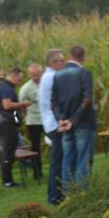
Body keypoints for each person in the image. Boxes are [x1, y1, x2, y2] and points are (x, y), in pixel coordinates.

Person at [52, 45, 96, 189]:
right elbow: (87, 99)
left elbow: (54, 102)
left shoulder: (58, 75)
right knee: (83, 160)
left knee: (67, 161)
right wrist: (73, 119)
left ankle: (68, 194)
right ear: (83, 57)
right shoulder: (84, 73)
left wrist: (61, 119)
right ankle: (82, 195)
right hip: (83, 123)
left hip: (65, 124)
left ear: (69, 56)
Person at [38, 48, 66, 205]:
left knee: (59, 161)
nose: (63, 63)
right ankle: (55, 196)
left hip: (52, 123)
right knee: (58, 162)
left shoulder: (49, 76)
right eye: (60, 61)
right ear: (51, 63)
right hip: (55, 124)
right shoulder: (52, 77)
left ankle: (57, 194)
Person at [0, 68, 31, 188]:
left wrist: (19, 118)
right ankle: (7, 180)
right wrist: (22, 104)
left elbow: (12, 110)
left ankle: (7, 179)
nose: (20, 82)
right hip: (7, 124)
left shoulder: (7, 87)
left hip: (9, 122)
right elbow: (7, 105)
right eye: (19, 79)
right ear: (13, 75)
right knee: (8, 151)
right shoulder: (6, 88)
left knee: (10, 150)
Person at [19, 62, 44, 180]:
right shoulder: (26, 88)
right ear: (29, 74)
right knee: (35, 147)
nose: (35, 77)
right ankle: (37, 172)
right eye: (33, 74)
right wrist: (22, 117)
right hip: (33, 121)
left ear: (41, 73)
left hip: (47, 119)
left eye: (37, 74)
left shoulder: (46, 83)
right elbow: (20, 105)